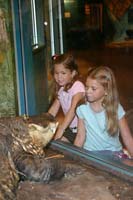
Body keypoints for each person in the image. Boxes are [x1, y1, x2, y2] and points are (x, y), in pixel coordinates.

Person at [74, 66, 133, 158]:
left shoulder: (115, 108)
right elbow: (80, 136)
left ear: (106, 91)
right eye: (87, 87)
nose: (88, 91)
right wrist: (74, 158)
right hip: (90, 153)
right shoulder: (82, 108)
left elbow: (127, 138)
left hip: (114, 154)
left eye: (93, 88)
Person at [47, 53, 85, 143]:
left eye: (63, 73)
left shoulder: (77, 86)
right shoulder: (61, 90)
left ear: (73, 73)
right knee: (58, 145)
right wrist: (43, 122)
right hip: (72, 130)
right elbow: (53, 110)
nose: (59, 77)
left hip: (84, 130)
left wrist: (61, 129)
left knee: (68, 149)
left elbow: (73, 110)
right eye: (56, 73)